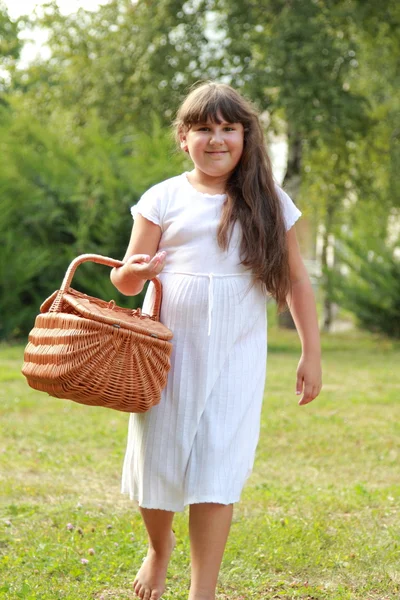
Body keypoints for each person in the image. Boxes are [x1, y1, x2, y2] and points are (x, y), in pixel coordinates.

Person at [110, 81, 322, 600]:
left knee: (217, 466)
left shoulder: (270, 200)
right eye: (204, 128)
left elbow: (295, 280)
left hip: (236, 351)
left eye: (229, 128)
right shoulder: (163, 197)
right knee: (158, 456)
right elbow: (125, 279)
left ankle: (201, 592)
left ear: (246, 136)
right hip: (168, 347)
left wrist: (311, 353)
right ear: (184, 137)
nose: (217, 139)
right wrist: (135, 271)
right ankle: (159, 549)